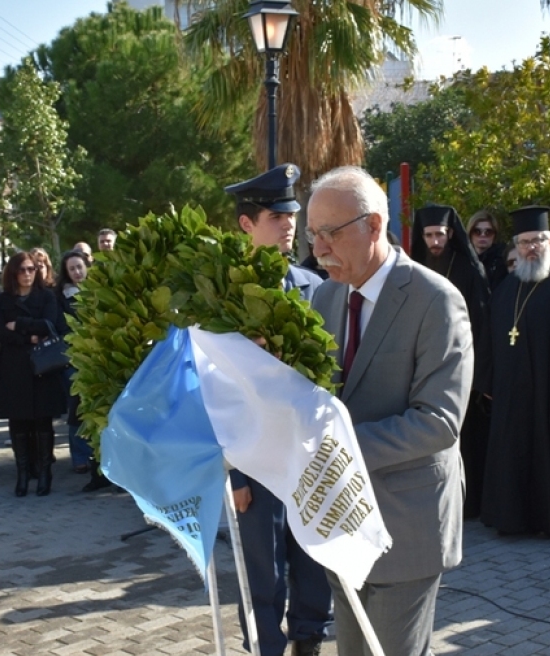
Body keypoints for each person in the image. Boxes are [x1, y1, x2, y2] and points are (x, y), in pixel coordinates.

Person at [307, 166, 472, 656]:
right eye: (313, 234)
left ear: (374, 226)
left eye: (329, 233)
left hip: (406, 526)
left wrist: (338, 449)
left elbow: (439, 422)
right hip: (342, 523)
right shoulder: (326, 295)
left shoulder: (435, 300)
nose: (317, 249)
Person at [224, 164, 330, 656]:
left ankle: (309, 637)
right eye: (275, 215)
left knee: (312, 557)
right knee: (262, 568)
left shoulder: (315, 286)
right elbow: (215, 391)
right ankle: (265, 647)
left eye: (292, 213)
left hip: (307, 452)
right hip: (254, 457)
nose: (290, 222)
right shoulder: (222, 297)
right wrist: (235, 476)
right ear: (247, 224)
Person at [480, 206, 550, 537]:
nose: (532, 247)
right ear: (516, 245)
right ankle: (513, 520)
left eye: (539, 240)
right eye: (526, 241)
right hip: (512, 397)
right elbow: (490, 339)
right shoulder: (507, 288)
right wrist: (488, 383)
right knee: (513, 457)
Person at [409, 204, 492, 519]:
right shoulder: (415, 268)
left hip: (460, 366)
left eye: (439, 235)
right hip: (421, 366)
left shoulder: (469, 271)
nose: (434, 242)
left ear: (451, 234)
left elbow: (483, 326)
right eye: (428, 235)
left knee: (464, 439)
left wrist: (481, 377)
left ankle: (466, 504)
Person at [0, 251, 67, 497]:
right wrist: (29, 334)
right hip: (14, 367)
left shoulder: (46, 296)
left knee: (43, 420)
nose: (27, 274)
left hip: (42, 366)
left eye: (31, 269)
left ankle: (45, 473)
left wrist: (20, 326)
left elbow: (50, 325)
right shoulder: (3, 299)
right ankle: (23, 473)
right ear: (13, 272)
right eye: (22, 269)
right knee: (18, 422)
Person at [56, 250, 93, 475]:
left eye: (80, 267)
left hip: (98, 357)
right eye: (72, 269)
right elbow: (61, 327)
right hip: (73, 359)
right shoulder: (61, 296)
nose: (77, 272)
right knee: (76, 409)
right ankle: (79, 456)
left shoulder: (99, 290)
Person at [467, 210, 508, 290]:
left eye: (488, 232)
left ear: (494, 235)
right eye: (477, 231)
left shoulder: (503, 259)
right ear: (470, 234)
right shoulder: (463, 258)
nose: (482, 235)